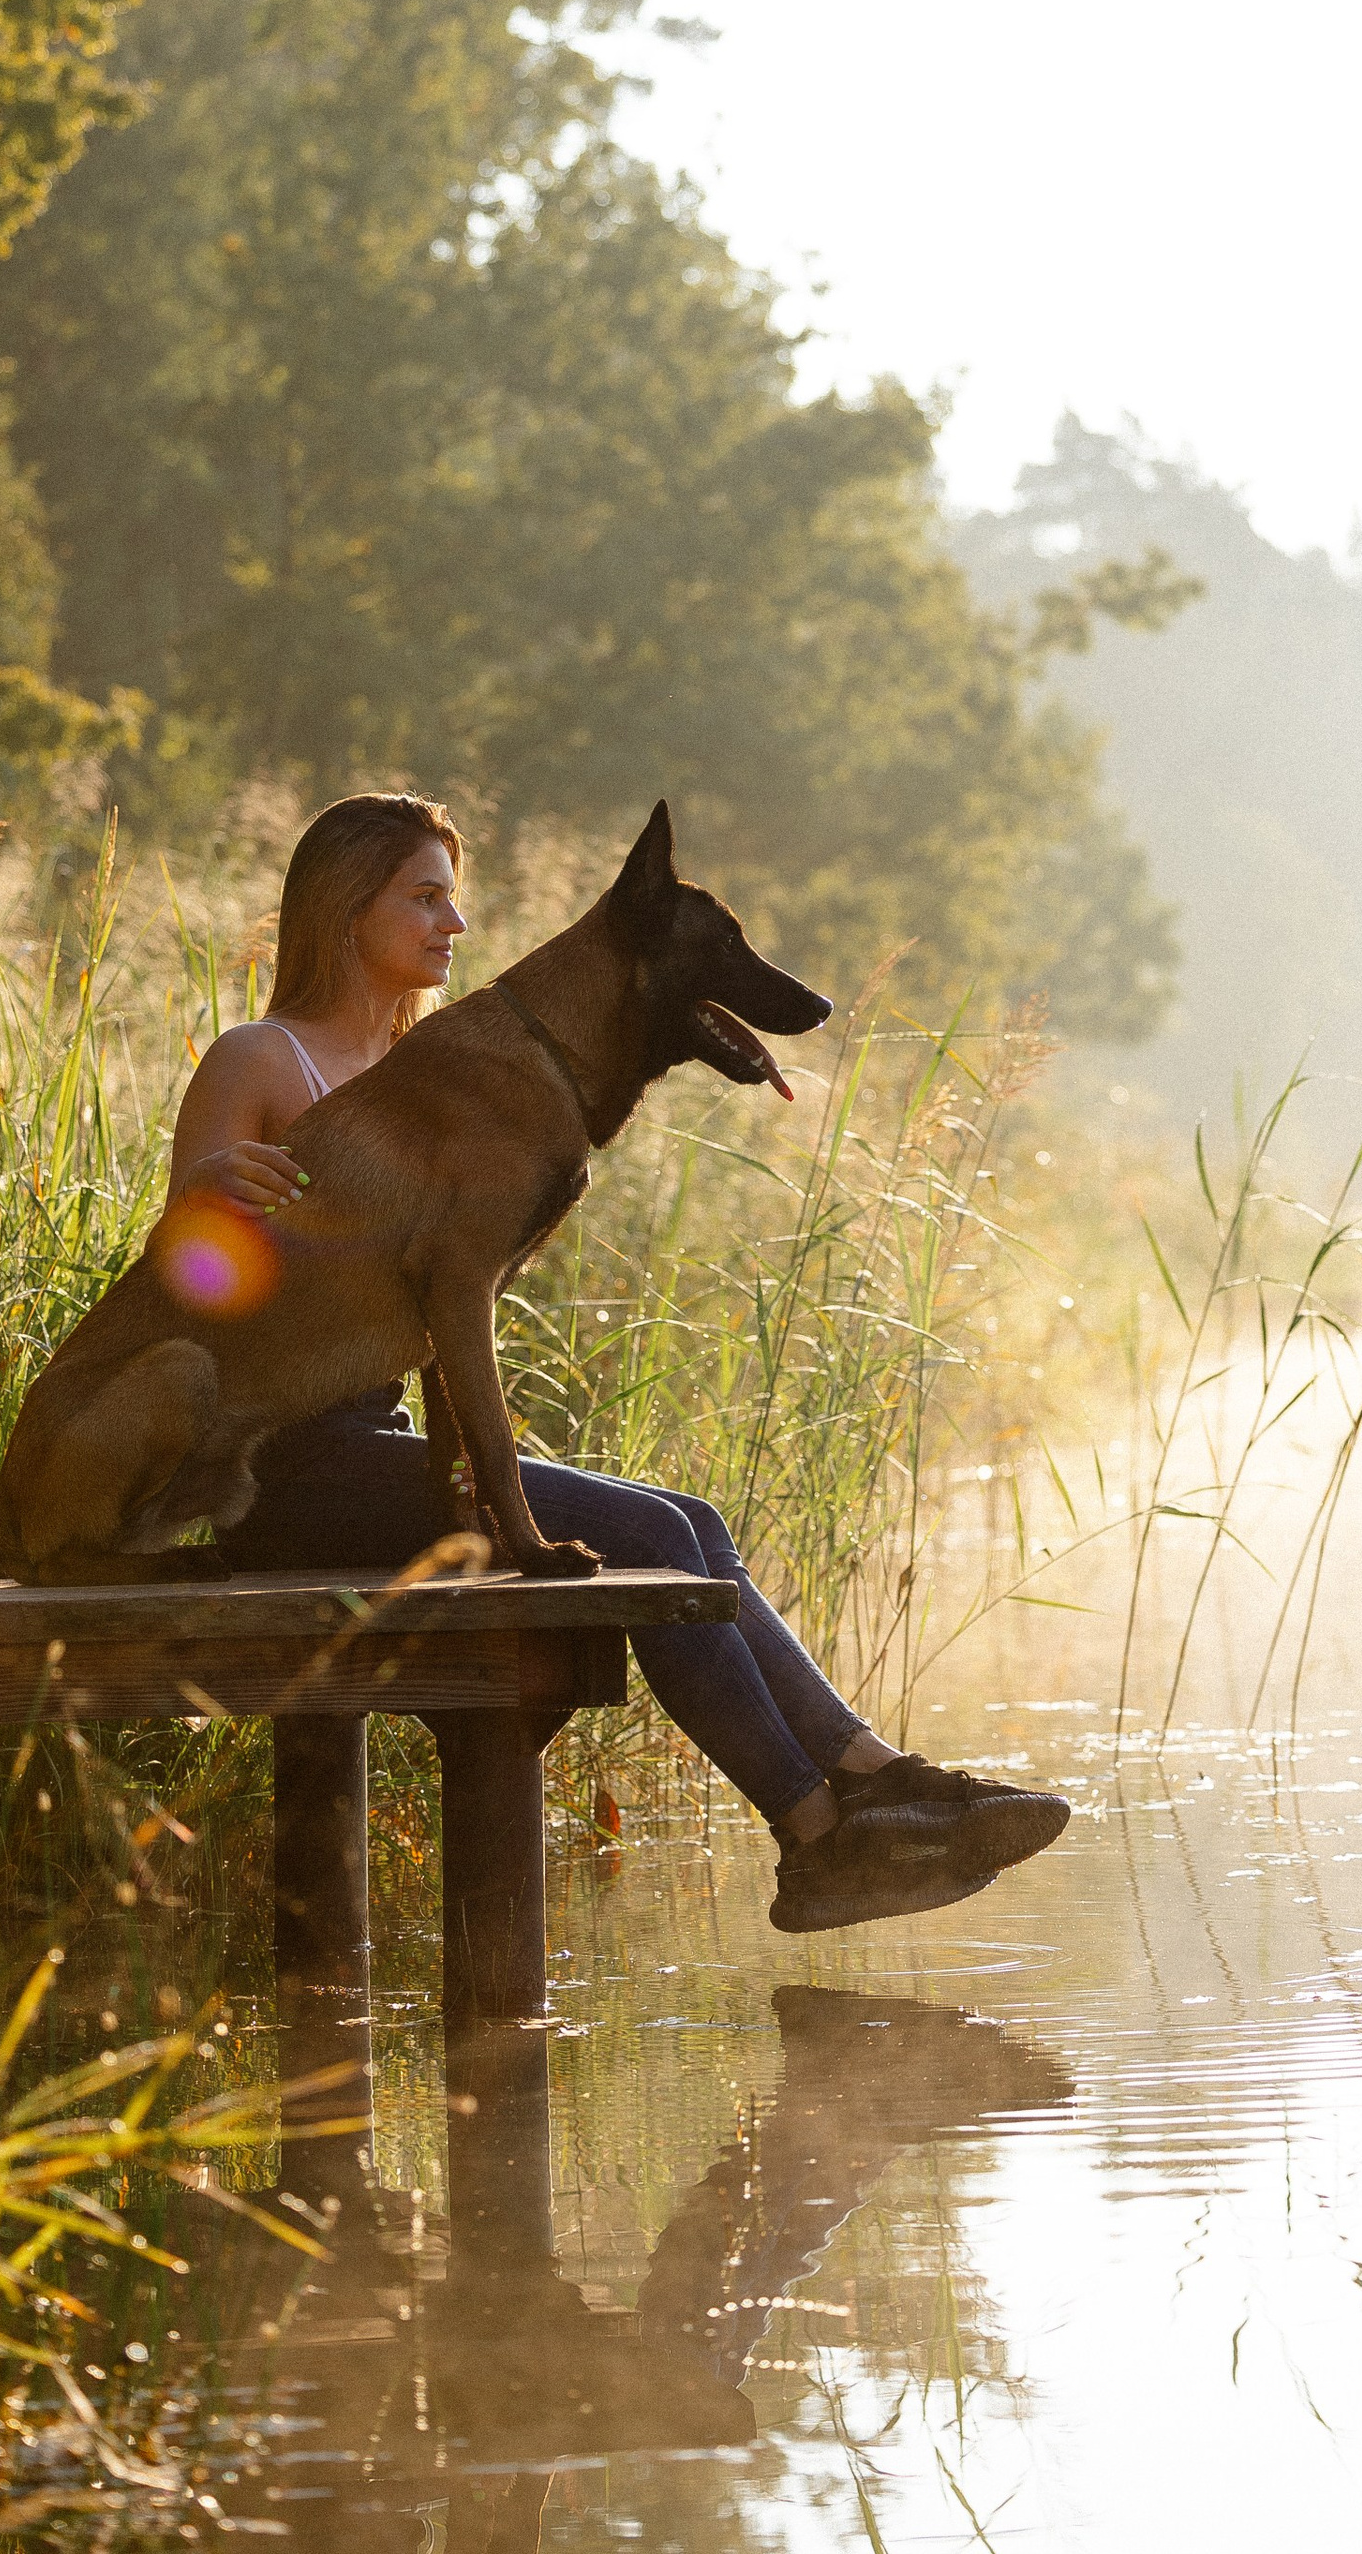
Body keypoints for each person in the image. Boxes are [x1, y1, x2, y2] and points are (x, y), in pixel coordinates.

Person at [169, 791, 1071, 1934]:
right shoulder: (263, 1055)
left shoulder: (430, 1059)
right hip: (278, 1472)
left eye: (457, 894)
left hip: (379, 1447)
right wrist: (202, 1197)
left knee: (683, 1517)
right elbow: (179, 1288)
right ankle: (820, 1831)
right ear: (346, 906)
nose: (452, 921)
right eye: (424, 894)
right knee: (647, 1539)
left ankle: (865, 1773)